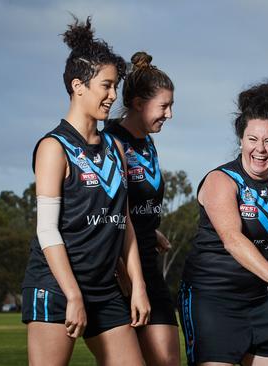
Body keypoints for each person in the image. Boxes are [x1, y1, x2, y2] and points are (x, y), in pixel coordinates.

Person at [21, 17, 150, 365]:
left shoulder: (116, 148)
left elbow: (124, 223)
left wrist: (137, 284)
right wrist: (73, 294)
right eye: (106, 86)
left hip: (104, 289)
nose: (112, 96)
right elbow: (46, 229)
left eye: (115, 86)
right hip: (56, 286)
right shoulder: (54, 147)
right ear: (79, 86)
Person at [178, 80, 268, 366]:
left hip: (258, 299)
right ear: (241, 139)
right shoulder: (221, 180)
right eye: (252, 139)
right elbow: (233, 240)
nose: (260, 149)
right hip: (211, 298)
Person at [104, 51, 180, 366]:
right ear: (138, 103)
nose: (170, 114)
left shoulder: (148, 141)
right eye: (164, 106)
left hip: (148, 261)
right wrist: (126, 278)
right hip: (117, 273)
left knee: (167, 358)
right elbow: (107, 213)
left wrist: (153, 227)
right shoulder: (109, 140)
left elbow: (136, 201)